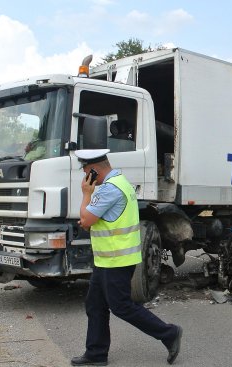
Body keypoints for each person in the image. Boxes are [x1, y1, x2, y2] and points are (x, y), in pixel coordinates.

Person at [71, 149, 183, 366]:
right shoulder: (120, 182)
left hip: (116, 260)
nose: (84, 175)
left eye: (85, 170)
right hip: (108, 259)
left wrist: (86, 194)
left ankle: (168, 333)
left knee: (121, 307)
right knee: (95, 304)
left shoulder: (109, 190)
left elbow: (85, 220)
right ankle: (96, 354)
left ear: (93, 170)